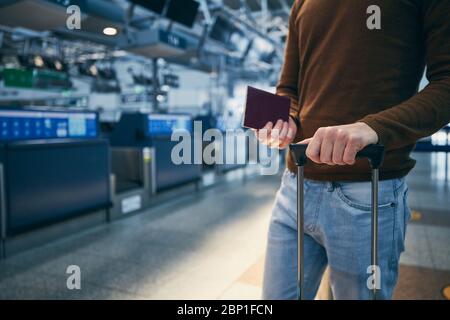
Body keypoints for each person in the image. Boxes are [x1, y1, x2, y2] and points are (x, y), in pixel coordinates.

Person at [257, 0, 450, 300]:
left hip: (369, 192)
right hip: (294, 186)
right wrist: (284, 116)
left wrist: (373, 128)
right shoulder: (301, 3)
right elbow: (289, 88)